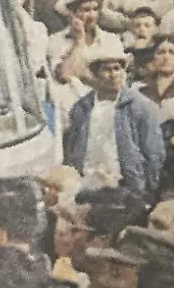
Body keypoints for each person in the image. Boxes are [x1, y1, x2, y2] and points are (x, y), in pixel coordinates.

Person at [63, 43, 166, 201]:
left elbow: (153, 154)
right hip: (86, 183)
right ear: (96, 74)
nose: (113, 75)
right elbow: (71, 147)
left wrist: (145, 191)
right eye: (106, 69)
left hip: (125, 186)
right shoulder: (82, 108)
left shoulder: (141, 107)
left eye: (117, 68)